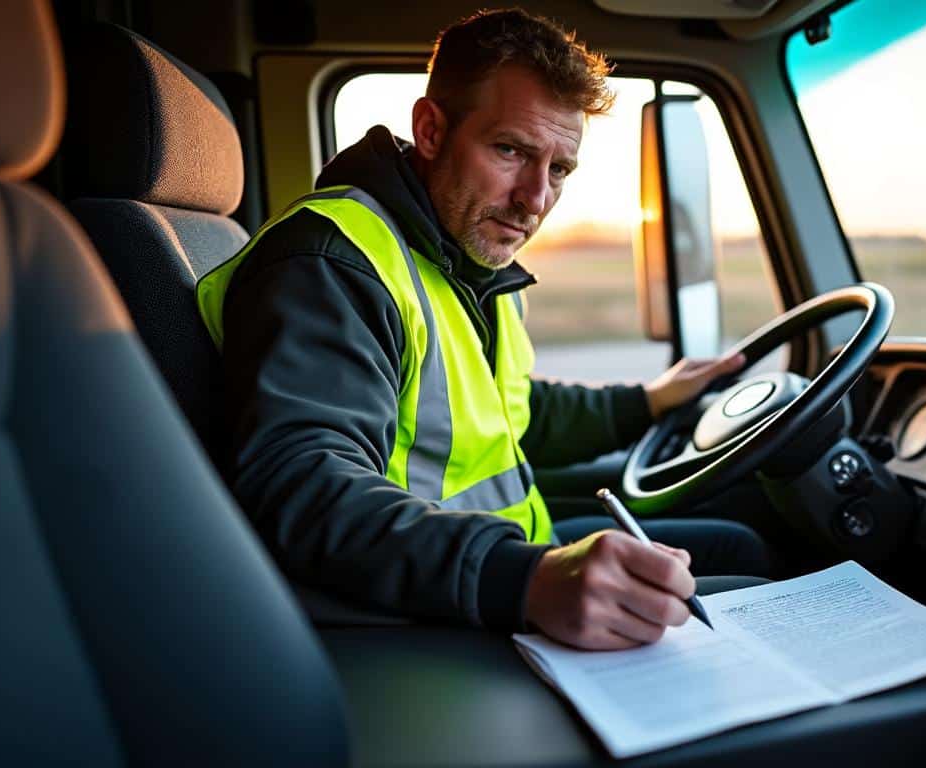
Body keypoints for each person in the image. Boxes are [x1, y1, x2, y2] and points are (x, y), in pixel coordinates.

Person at [197, 8, 775, 651]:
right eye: (511, 151)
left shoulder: (469, 262)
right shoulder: (332, 263)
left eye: (559, 170)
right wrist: (523, 579)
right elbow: (300, 486)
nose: (535, 198)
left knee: (737, 542)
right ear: (432, 130)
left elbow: (513, 413)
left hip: (501, 558)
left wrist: (646, 402)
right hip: (421, 613)